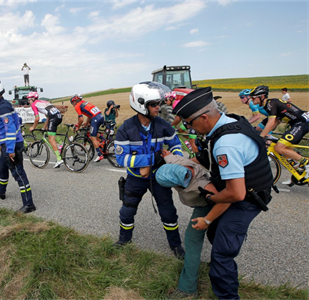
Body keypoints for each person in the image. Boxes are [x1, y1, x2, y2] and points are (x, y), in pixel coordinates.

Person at [173, 86, 273, 300]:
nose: (189, 128)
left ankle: (227, 294)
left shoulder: (226, 144)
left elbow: (235, 194)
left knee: (221, 255)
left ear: (204, 118)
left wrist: (210, 203)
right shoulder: (231, 123)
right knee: (216, 234)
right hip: (251, 190)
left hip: (247, 200)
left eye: (190, 123)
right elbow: (207, 160)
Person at [114, 82, 185, 259]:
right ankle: (124, 240)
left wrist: (172, 158)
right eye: (153, 104)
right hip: (135, 178)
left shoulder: (163, 125)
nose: (158, 107)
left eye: (158, 103)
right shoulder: (125, 129)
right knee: (127, 211)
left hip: (159, 177)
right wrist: (152, 159)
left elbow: (176, 145)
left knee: (168, 213)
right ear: (141, 105)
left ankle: (175, 246)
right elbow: (122, 159)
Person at [156, 150, 230, 299]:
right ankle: (217, 264)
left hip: (212, 204)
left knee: (192, 240)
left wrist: (207, 220)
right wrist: (164, 154)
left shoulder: (204, 187)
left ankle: (187, 288)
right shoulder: (176, 162)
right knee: (216, 234)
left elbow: (225, 200)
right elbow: (167, 154)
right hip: (207, 201)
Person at [0, 79, 36, 213]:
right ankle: (1, 190)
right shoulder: (1, 105)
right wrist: (1, 143)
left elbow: (10, 129)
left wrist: (10, 149)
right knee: (2, 167)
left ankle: (29, 204)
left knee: (18, 174)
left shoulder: (3, 107)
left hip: (11, 145)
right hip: (6, 144)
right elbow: (16, 120)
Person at [249, 85, 309, 177]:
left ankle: (307, 164)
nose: (252, 100)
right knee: (286, 151)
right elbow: (277, 121)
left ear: (262, 97)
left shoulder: (270, 104)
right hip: (298, 123)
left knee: (279, 148)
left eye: (253, 97)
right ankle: (297, 175)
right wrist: (267, 134)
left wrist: (261, 136)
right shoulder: (268, 104)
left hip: (302, 122)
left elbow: (271, 121)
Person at [27, 91, 64, 168]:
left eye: (29, 100)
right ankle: (61, 144)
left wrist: (33, 127)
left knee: (51, 139)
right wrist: (44, 127)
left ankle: (59, 159)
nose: (29, 102)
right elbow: (48, 116)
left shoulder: (34, 105)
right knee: (51, 133)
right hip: (58, 116)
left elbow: (37, 118)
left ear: (33, 99)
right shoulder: (44, 102)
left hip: (53, 117)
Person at [70, 94, 105, 162]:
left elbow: (81, 119)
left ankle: (100, 155)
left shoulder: (77, 106)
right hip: (100, 116)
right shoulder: (85, 102)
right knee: (94, 132)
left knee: (92, 137)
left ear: (74, 102)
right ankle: (103, 140)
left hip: (95, 119)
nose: (73, 105)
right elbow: (89, 116)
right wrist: (86, 124)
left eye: (72, 103)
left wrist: (78, 127)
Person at [165, 91, 199, 156]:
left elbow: (178, 118)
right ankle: (192, 140)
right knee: (180, 130)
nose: (165, 102)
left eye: (166, 100)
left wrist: (171, 126)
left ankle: (195, 156)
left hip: (193, 121)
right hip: (189, 121)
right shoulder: (176, 103)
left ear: (171, 99)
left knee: (192, 141)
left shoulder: (176, 105)